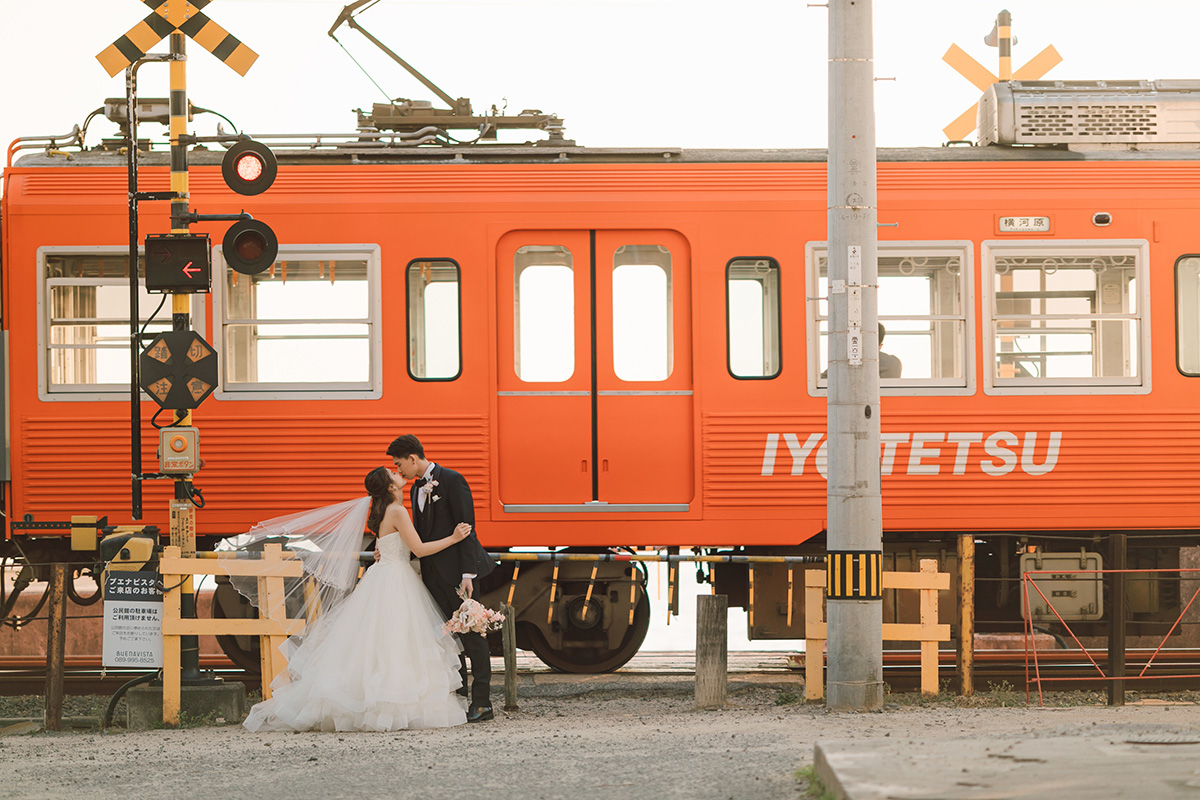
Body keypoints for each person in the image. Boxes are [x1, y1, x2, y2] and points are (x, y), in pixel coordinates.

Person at [236, 467, 472, 732]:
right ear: (391, 487)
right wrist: (454, 538)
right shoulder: (397, 511)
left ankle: (371, 704)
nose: (397, 471)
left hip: (383, 577)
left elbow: (391, 544)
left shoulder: (384, 511)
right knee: (396, 642)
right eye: (392, 472)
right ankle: (392, 706)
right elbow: (418, 549)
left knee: (377, 642)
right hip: (396, 579)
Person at [387, 433, 497, 723]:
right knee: (448, 638)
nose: (399, 471)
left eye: (400, 465)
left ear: (413, 458)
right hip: (432, 575)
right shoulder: (414, 490)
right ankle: (458, 697)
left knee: (473, 637)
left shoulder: (452, 480)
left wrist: (467, 574)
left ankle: (482, 703)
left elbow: (467, 527)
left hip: (459, 576)